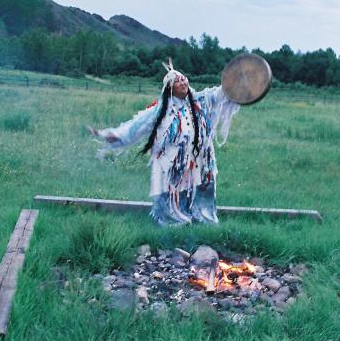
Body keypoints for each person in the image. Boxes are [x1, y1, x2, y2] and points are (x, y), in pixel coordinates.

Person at [88, 59, 239, 226]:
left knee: (203, 189)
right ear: (170, 88)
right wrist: (113, 135)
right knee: (172, 194)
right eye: (177, 81)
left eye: (183, 78)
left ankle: (203, 219)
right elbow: (135, 127)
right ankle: (173, 222)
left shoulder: (202, 101)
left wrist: (236, 81)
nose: (183, 82)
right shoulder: (160, 110)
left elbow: (221, 94)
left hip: (201, 159)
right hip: (172, 162)